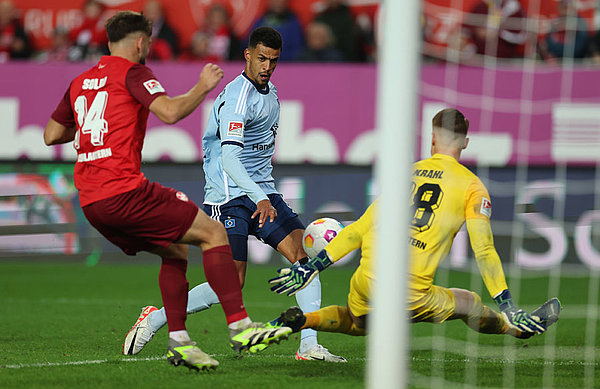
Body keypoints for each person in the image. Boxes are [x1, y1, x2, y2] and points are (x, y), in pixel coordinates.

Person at [43, 11, 291, 372]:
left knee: (175, 252)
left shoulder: (80, 81)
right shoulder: (135, 72)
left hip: (91, 202)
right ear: (142, 43)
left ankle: (179, 340)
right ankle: (240, 327)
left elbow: (51, 134)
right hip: (126, 191)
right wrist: (203, 86)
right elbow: (171, 112)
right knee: (214, 232)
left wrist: (89, 128)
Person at [126, 26, 346, 363]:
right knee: (233, 281)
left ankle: (308, 346)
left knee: (305, 262)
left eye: (273, 61)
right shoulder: (236, 97)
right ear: (247, 55)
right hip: (228, 196)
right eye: (261, 59)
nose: (266, 67)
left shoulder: (271, 95)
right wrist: (258, 197)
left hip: (262, 192)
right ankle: (155, 318)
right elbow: (229, 159)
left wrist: (263, 194)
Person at [270, 108, 561, 341]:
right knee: (469, 302)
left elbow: (359, 228)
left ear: (432, 138)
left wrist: (313, 266)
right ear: (465, 143)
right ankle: (515, 328)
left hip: (367, 278)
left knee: (359, 323)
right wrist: (507, 304)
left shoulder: (409, 172)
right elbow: (483, 250)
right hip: (410, 290)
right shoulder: (472, 187)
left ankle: (302, 320)